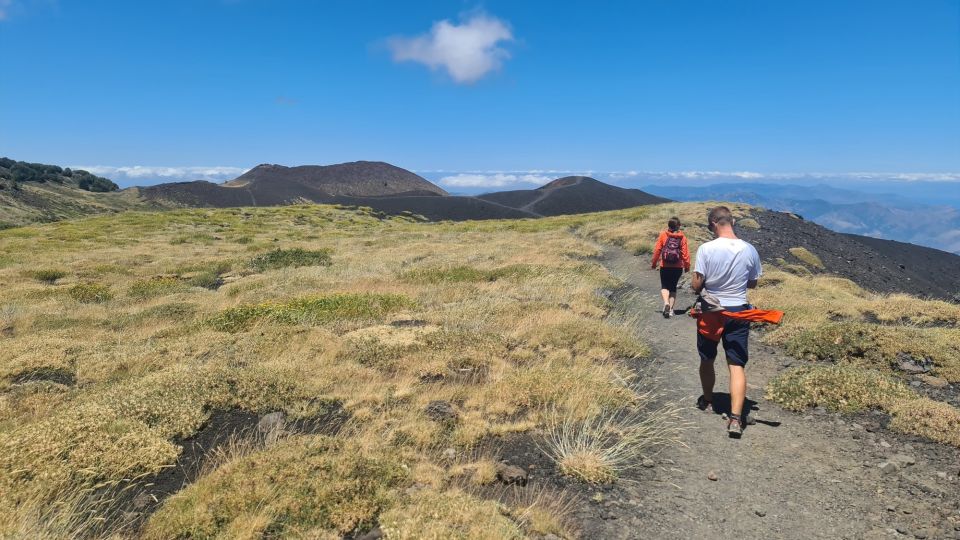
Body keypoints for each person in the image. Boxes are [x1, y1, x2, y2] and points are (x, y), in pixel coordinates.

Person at [691, 206, 762, 438]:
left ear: (713, 223)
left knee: (707, 358)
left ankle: (709, 401)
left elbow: (696, 285)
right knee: (736, 364)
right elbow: (752, 283)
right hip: (739, 312)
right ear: (732, 221)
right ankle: (735, 418)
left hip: (712, 311)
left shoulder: (706, 248)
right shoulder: (749, 249)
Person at [650, 217, 690, 318]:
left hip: (665, 266)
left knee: (664, 286)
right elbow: (685, 254)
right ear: (679, 226)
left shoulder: (663, 235)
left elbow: (657, 250)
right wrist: (687, 266)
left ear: (669, 226)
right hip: (677, 267)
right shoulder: (682, 237)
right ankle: (671, 310)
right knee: (673, 288)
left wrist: (654, 263)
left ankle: (666, 303)